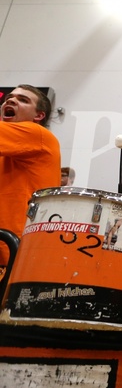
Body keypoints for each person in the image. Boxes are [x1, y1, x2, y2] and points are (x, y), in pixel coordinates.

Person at [0, 85, 61, 272]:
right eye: (9, 97)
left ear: (39, 116)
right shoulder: (7, 149)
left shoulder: (38, 134)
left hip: (18, 254)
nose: (10, 100)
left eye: (23, 100)